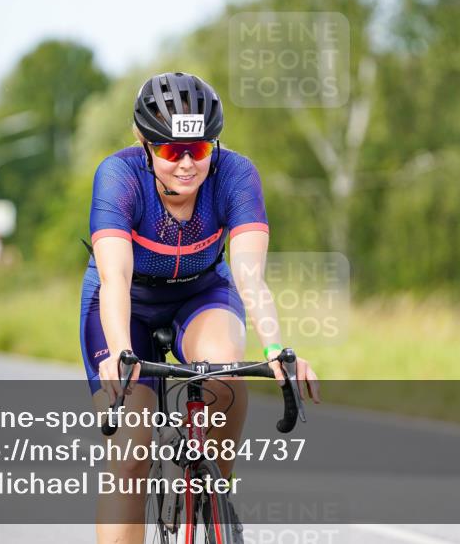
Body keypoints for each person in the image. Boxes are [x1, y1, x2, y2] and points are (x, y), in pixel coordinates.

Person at [80, 71, 320, 543]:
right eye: (172, 151)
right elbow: (115, 279)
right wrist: (120, 353)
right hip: (127, 303)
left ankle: (214, 492)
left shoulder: (235, 174)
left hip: (202, 291)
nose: (187, 164)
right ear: (145, 144)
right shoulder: (119, 175)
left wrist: (275, 346)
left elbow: (250, 274)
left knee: (224, 375)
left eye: (200, 149)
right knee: (132, 453)